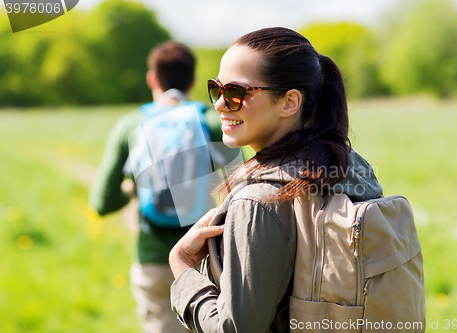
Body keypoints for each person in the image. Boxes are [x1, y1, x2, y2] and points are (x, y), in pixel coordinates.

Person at [168, 27, 384, 332]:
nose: (219, 104)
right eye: (216, 89)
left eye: (235, 93)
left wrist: (181, 265)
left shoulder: (257, 202)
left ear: (289, 103)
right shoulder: (351, 170)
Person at [90, 41, 222, 333]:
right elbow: (240, 185)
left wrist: (132, 189)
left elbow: (102, 202)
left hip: (152, 258)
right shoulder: (212, 121)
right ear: (193, 80)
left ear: (152, 78)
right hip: (206, 260)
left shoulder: (132, 124)